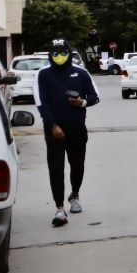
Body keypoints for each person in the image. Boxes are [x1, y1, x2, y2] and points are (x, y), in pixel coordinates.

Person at [34, 39, 100, 226]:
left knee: (77, 164)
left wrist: (82, 102)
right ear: (50, 54)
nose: (59, 56)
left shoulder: (81, 73)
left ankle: (75, 195)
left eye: (63, 52)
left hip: (77, 128)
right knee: (56, 168)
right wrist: (52, 125)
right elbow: (41, 103)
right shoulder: (43, 74)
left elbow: (95, 96)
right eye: (55, 53)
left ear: (69, 53)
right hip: (54, 130)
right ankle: (59, 208)